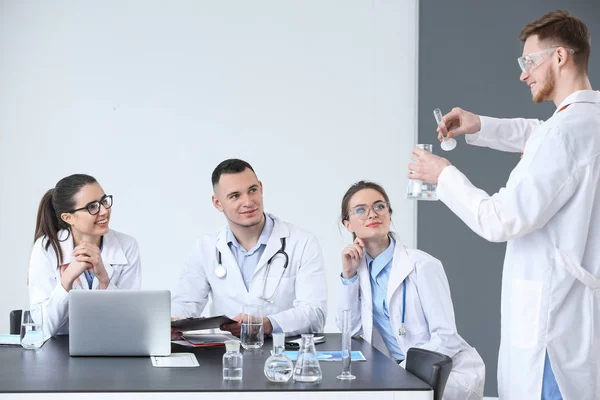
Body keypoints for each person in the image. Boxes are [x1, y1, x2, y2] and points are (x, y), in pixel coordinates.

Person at [408, 10, 599, 400]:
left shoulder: (563, 134)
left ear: (559, 57)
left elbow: (499, 221)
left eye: (529, 62)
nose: (523, 74)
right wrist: (481, 125)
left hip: (552, 331)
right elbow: (539, 133)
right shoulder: (587, 121)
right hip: (576, 318)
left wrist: (443, 175)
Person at [337, 181, 485, 400]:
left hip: (442, 374)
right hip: (393, 374)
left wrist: (400, 371)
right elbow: (349, 331)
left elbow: (447, 337)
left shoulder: (422, 265)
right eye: (361, 210)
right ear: (348, 224)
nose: (372, 214)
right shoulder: (359, 270)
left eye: (379, 206)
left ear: (389, 214)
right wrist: (348, 277)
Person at [172, 159, 327, 337]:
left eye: (252, 190)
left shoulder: (302, 242)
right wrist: (171, 321)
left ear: (261, 188)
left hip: (283, 354)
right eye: (235, 196)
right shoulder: (205, 247)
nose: (248, 202)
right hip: (227, 353)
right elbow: (186, 303)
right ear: (218, 203)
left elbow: (316, 313)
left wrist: (268, 324)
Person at [29, 174, 142, 338]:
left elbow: (129, 321)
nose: (104, 211)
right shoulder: (46, 248)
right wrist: (67, 279)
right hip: (58, 350)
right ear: (68, 218)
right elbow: (43, 329)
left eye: (104, 201)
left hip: (112, 345)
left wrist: (104, 280)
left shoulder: (127, 245)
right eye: (92, 207)